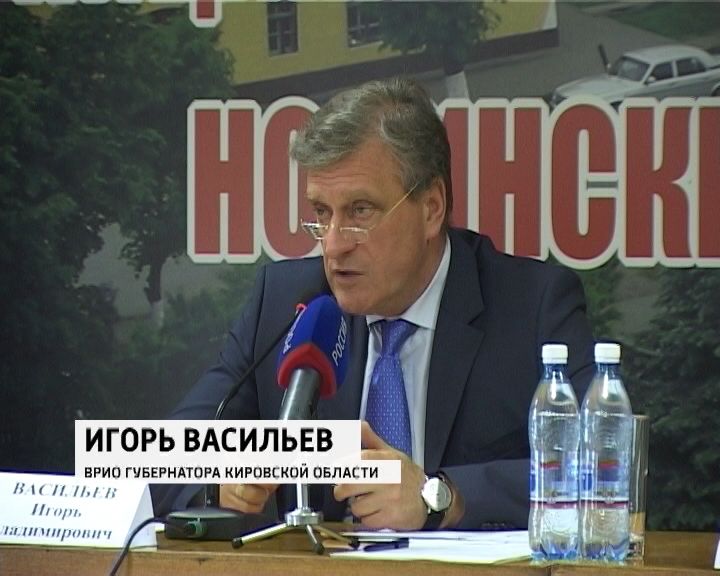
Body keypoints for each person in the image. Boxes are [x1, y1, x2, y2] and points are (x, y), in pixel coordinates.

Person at [152, 76, 595, 530]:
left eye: (360, 211)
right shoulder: (287, 304)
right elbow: (162, 457)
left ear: (431, 208)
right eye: (321, 213)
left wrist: (441, 497)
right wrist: (217, 480)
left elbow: (599, 467)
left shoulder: (532, 306)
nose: (333, 245)